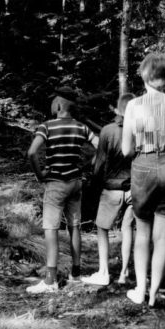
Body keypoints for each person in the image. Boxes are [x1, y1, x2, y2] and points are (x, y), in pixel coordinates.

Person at [122, 52, 165, 306]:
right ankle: (153, 294)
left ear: (144, 75)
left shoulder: (133, 105)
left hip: (143, 165)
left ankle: (140, 289)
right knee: (162, 235)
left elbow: (126, 150)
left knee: (142, 233)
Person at [26, 93, 98, 293]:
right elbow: (101, 147)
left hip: (56, 184)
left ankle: (50, 281)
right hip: (75, 182)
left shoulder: (46, 127)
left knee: (51, 229)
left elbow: (32, 152)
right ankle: (75, 274)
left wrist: (40, 174)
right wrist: (86, 166)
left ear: (58, 105)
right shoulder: (81, 127)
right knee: (75, 226)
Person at [82, 93, 136, 287]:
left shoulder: (107, 130)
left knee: (102, 228)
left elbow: (100, 161)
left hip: (111, 187)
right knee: (127, 228)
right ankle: (124, 272)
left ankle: (103, 271)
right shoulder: (140, 130)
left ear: (116, 109)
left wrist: (95, 183)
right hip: (133, 188)